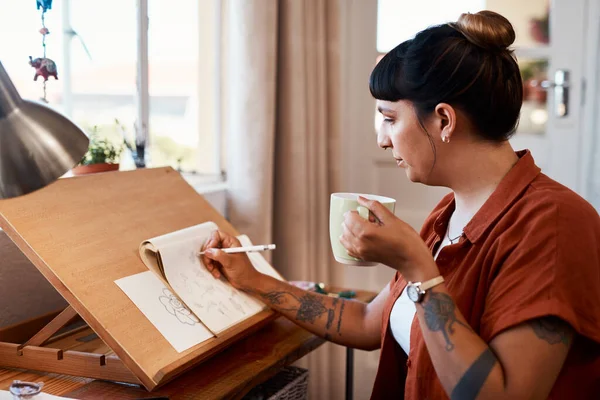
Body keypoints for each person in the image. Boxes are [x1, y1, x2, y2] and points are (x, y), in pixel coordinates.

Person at [201, 10, 600, 399]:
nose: (382, 139)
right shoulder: (448, 215)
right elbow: (368, 322)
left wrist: (418, 270)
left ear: (444, 120)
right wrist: (253, 279)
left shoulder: (555, 223)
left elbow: (504, 394)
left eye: (389, 118)